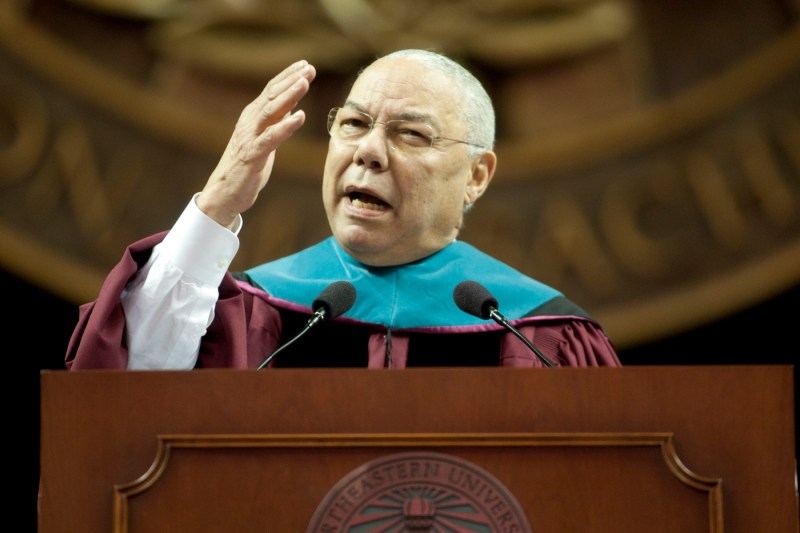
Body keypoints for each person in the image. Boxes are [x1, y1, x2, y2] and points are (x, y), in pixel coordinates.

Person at [65, 49, 621, 370]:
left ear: (476, 176)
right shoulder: (258, 316)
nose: (369, 152)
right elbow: (124, 390)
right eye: (353, 124)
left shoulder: (539, 335)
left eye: (410, 134)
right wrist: (214, 208)